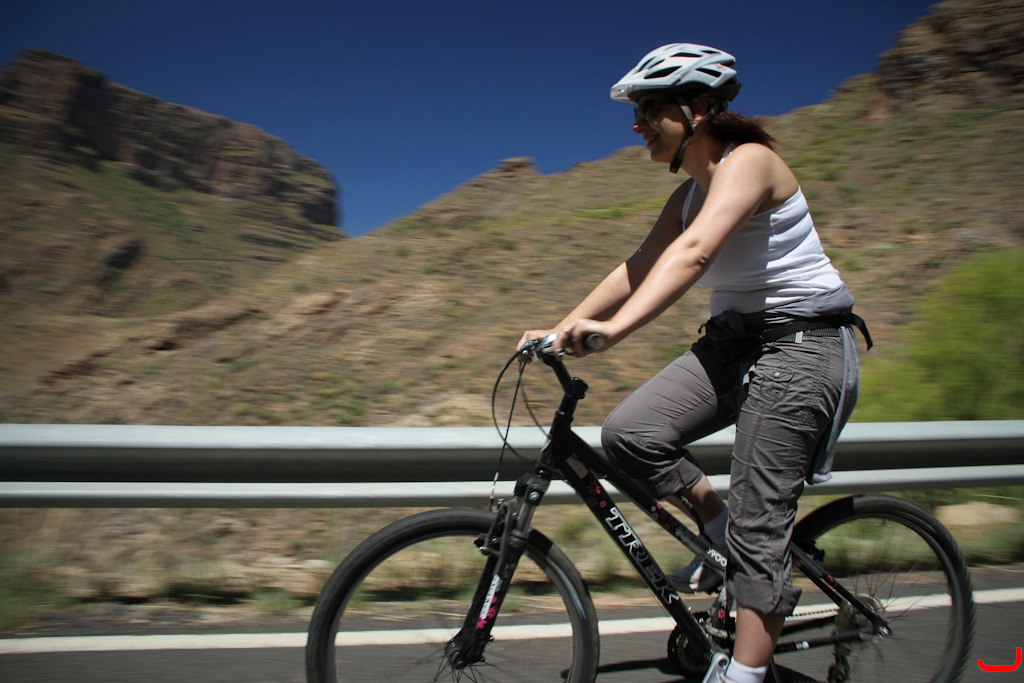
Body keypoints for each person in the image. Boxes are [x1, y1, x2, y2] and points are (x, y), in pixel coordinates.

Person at [518, 43, 870, 683]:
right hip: (734, 344)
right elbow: (637, 267)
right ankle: (718, 530)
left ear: (698, 108)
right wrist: (563, 328)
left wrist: (614, 331)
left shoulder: (751, 162)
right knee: (631, 434)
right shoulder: (687, 195)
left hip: (802, 346)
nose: (637, 125)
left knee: (760, 524)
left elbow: (695, 253)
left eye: (649, 110)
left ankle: (746, 671)